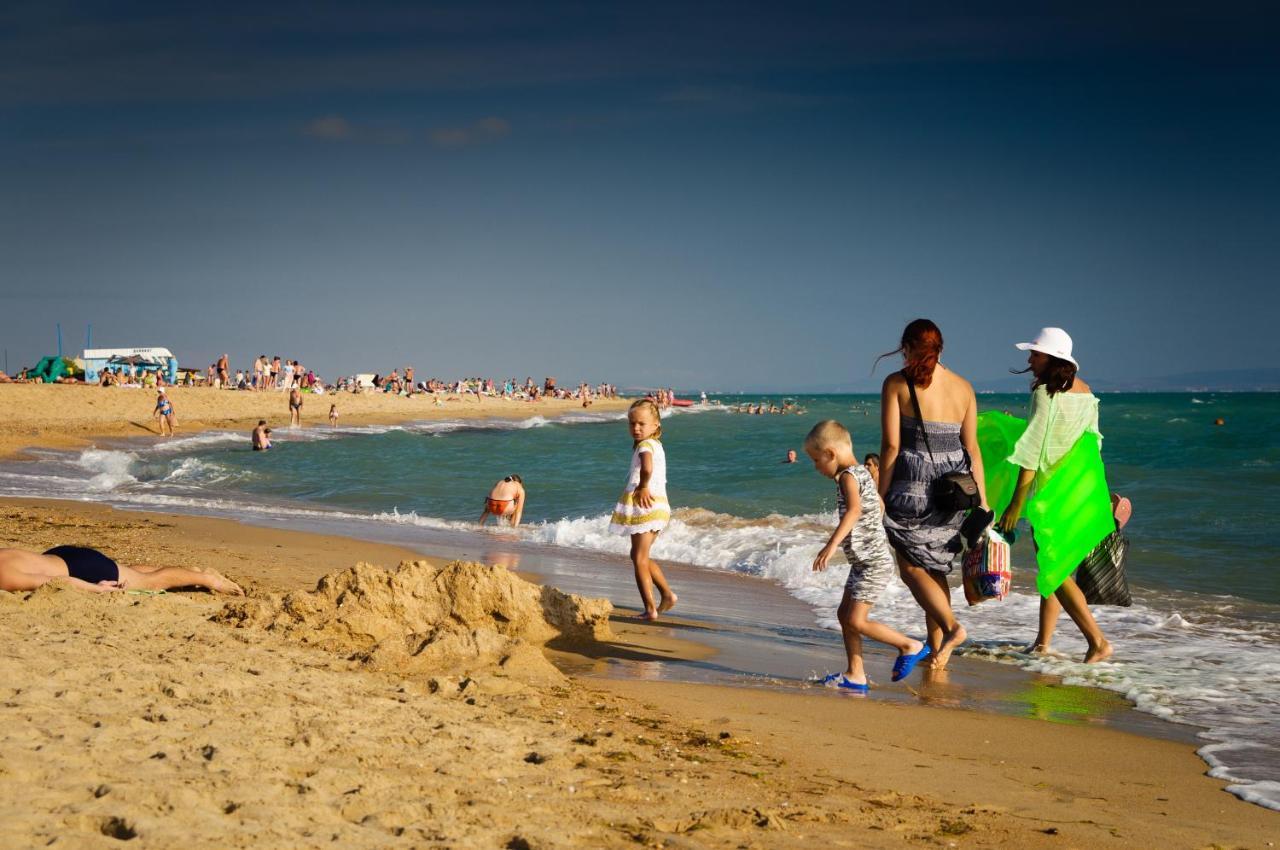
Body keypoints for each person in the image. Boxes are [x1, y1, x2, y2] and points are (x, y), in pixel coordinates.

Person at [997, 327, 1113, 664]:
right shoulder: (1087, 393)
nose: (1030, 360)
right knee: (1058, 565)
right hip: (1080, 490)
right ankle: (1043, 642)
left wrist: (1015, 505)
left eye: (1035, 354)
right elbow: (1093, 445)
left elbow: (1032, 453)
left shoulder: (1046, 393)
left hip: (1050, 493)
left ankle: (1098, 641)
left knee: (1054, 570)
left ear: (1052, 358)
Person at [878, 319, 988, 672]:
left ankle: (953, 629)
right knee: (936, 565)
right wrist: (982, 501)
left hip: (914, 486)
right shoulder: (964, 388)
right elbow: (972, 448)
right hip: (955, 490)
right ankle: (937, 650)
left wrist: (880, 494)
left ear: (907, 347)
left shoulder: (897, 383)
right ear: (941, 349)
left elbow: (892, 445)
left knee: (911, 565)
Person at [805, 421, 931, 691]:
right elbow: (878, 504)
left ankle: (909, 645)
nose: (816, 467)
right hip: (864, 562)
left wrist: (831, 545)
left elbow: (854, 511)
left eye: (816, 460)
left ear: (830, 454)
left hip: (872, 563)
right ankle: (855, 674)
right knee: (844, 614)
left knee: (856, 620)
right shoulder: (862, 473)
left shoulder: (849, 477)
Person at [608, 399, 676, 621]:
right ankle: (667, 595)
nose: (636, 428)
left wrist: (643, 486)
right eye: (631, 423)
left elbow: (647, 467)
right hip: (658, 507)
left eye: (641, 424)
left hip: (648, 506)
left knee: (639, 558)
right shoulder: (655, 444)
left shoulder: (646, 445)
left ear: (656, 425)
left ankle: (650, 609)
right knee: (639, 555)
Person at [0, 546, 243, 595]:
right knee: (128, 572)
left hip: (78, 568)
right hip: (62, 554)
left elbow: (54, 582)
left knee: (148, 583)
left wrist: (97, 588)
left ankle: (208, 579)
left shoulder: (3, 575)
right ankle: (189, 572)